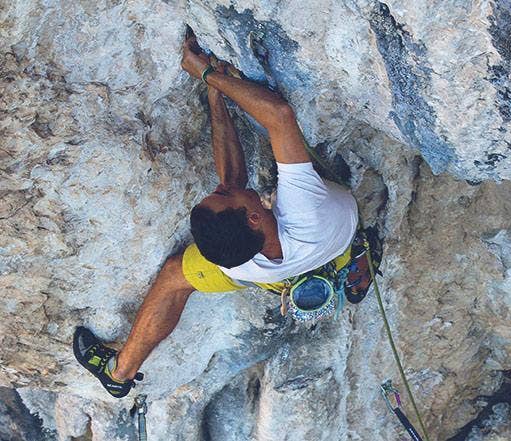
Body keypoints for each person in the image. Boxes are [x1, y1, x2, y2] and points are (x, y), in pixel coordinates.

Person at [72, 32, 374, 398]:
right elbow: (280, 115)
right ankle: (353, 266)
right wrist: (207, 75)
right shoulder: (305, 209)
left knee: (173, 278)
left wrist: (216, 98)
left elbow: (233, 181)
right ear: (254, 218)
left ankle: (119, 373)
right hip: (336, 241)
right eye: (223, 195)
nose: (223, 187)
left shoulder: (238, 263)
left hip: (275, 273)